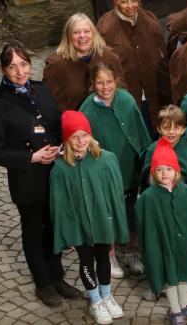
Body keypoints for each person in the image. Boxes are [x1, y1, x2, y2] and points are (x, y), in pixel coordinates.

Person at [0, 44, 79, 307]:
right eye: (12, 66)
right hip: (26, 179)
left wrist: (61, 147)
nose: (20, 71)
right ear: (3, 69)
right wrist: (31, 157)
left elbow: (57, 125)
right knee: (34, 230)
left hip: (54, 173)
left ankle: (57, 277)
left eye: (24, 64)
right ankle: (43, 283)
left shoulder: (42, 90)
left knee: (54, 226)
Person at [50, 111, 128, 324]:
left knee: (103, 258)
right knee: (86, 261)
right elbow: (59, 204)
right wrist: (66, 233)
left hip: (102, 221)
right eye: (74, 136)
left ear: (91, 135)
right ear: (67, 139)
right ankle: (95, 300)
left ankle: (107, 295)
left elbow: (116, 195)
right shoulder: (60, 168)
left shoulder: (106, 159)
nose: (81, 141)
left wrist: (116, 221)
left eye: (84, 135)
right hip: (79, 225)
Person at [79, 63, 153, 277]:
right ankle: (108, 255)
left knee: (130, 210)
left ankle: (131, 250)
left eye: (109, 82)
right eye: (100, 83)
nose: (105, 87)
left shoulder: (126, 99)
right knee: (107, 212)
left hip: (129, 166)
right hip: (105, 171)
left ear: (116, 81)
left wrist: (147, 160)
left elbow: (140, 130)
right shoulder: (87, 110)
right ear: (93, 84)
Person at [135, 137, 187, 325]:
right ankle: (175, 311)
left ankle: (185, 305)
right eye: (159, 169)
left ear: (176, 171)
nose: (164, 173)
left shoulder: (185, 191)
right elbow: (145, 228)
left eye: (168, 169)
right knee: (170, 278)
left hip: (183, 244)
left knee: (183, 275)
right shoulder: (148, 198)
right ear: (153, 172)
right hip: (163, 245)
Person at [97, 0, 168, 130]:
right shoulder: (106, 26)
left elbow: (161, 53)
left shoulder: (149, 20)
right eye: (124, 2)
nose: (130, 6)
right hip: (128, 91)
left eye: (133, 0)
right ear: (116, 3)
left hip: (153, 89)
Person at [43, 13, 126, 112]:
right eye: (76, 32)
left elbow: (122, 91)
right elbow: (51, 103)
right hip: (75, 119)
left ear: (93, 33)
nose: (82, 36)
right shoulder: (57, 64)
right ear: (68, 36)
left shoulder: (109, 56)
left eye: (86, 31)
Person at [141, 105, 187, 190]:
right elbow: (145, 181)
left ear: (183, 130)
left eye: (176, 128)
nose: (171, 132)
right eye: (166, 128)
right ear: (159, 129)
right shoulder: (152, 150)